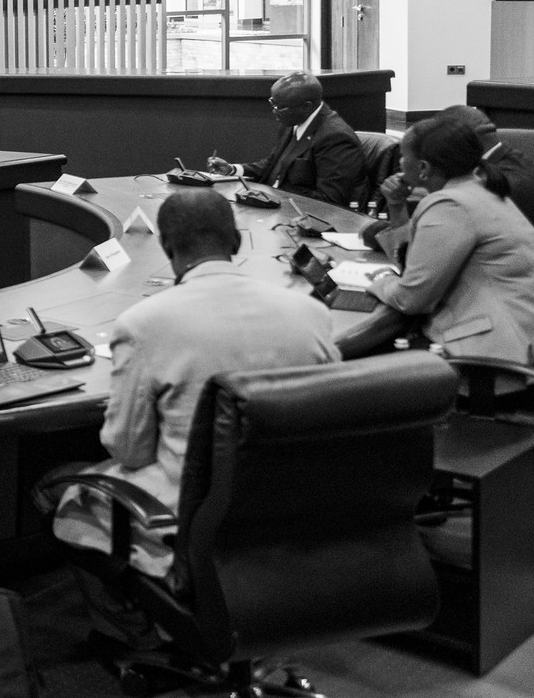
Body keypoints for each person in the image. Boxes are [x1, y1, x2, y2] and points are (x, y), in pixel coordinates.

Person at [50, 188, 337, 647]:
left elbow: (128, 450)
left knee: (63, 494)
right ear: (236, 242)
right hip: (298, 510)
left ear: (167, 247)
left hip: (194, 521)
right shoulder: (311, 314)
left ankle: (133, 635)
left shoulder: (146, 323)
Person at [340, 116, 534, 398]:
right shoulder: (482, 189)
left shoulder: (451, 205)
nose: (399, 164)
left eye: (403, 156)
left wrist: (380, 281)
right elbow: (416, 258)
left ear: (423, 168)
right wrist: (396, 206)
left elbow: (411, 299)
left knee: (351, 382)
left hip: (493, 367)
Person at [367, 104, 534, 283]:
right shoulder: (501, 164)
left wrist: (396, 210)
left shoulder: (494, 184)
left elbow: (419, 267)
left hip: (531, 284)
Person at [206, 72, 364, 208]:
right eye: (272, 103)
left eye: (280, 107)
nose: (274, 111)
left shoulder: (335, 137)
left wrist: (275, 196)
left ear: (306, 107)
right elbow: (273, 165)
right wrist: (232, 170)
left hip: (301, 213)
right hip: (272, 204)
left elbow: (329, 200)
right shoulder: (293, 121)